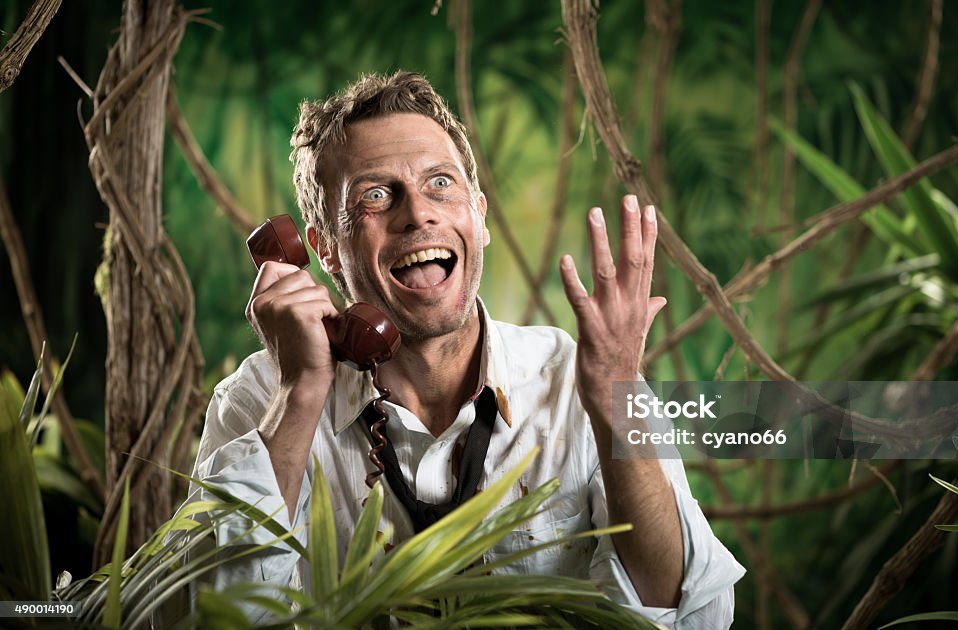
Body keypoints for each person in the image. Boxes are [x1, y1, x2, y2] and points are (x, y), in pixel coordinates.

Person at [191, 71, 744, 628]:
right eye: (375, 195)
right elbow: (205, 617)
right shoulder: (259, 400)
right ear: (324, 250)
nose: (418, 214)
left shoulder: (584, 378)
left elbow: (696, 617)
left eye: (440, 184)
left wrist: (615, 401)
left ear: (479, 218)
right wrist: (301, 393)